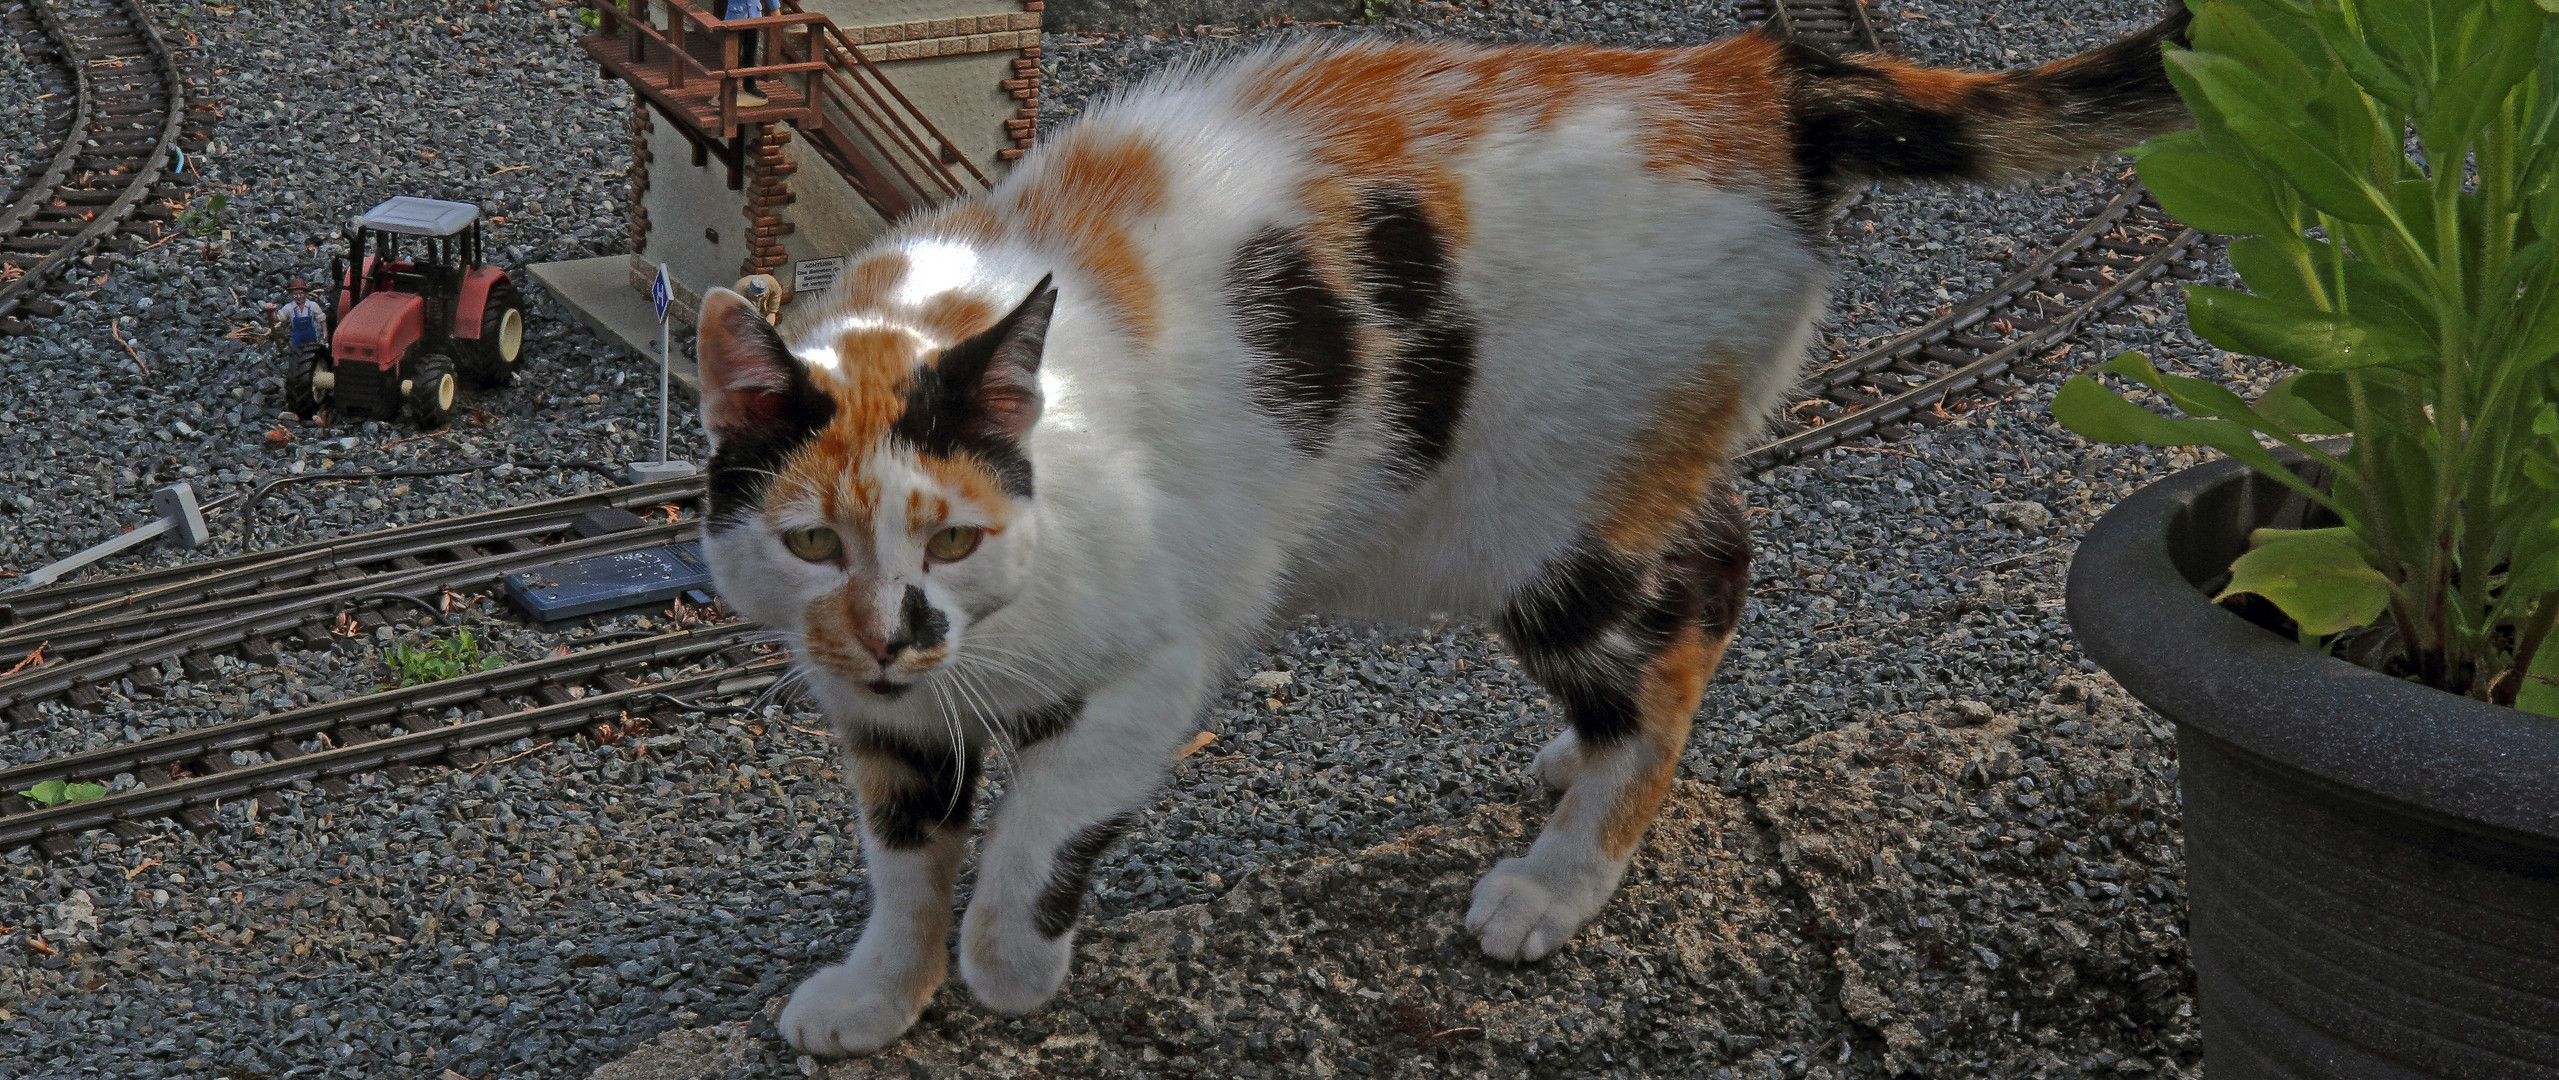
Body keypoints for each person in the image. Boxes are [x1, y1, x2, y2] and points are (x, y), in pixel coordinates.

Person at [724, 0, 780, 107]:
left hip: (754, 15)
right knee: (732, 55)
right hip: (735, 16)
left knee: (751, 53)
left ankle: (750, 85)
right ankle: (729, 88)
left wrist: (774, 8)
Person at [264, 278, 328, 357]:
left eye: (301, 293)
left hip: (310, 337)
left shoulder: (312, 305)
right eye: (295, 294)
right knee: (297, 355)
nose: (298, 296)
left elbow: (322, 319)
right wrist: (272, 311)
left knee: (313, 354)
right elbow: (277, 318)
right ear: (292, 294)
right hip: (297, 338)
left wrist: (325, 332)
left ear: (305, 293)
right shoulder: (289, 307)